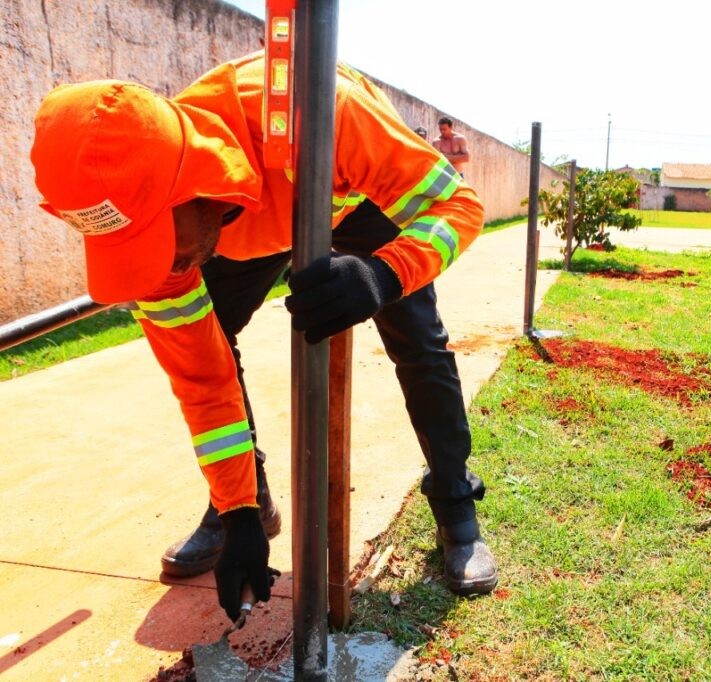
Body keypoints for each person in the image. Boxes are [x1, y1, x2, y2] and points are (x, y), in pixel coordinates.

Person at [30, 53, 498, 623]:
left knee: (419, 342)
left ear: (189, 180)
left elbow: (459, 205)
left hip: (345, 192)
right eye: (128, 249)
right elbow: (202, 380)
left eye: (154, 239)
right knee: (213, 337)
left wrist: (385, 273)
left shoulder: (324, 113)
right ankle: (252, 498)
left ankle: (455, 504)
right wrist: (238, 513)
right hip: (245, 216)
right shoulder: (164, 240)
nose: (157, 266)